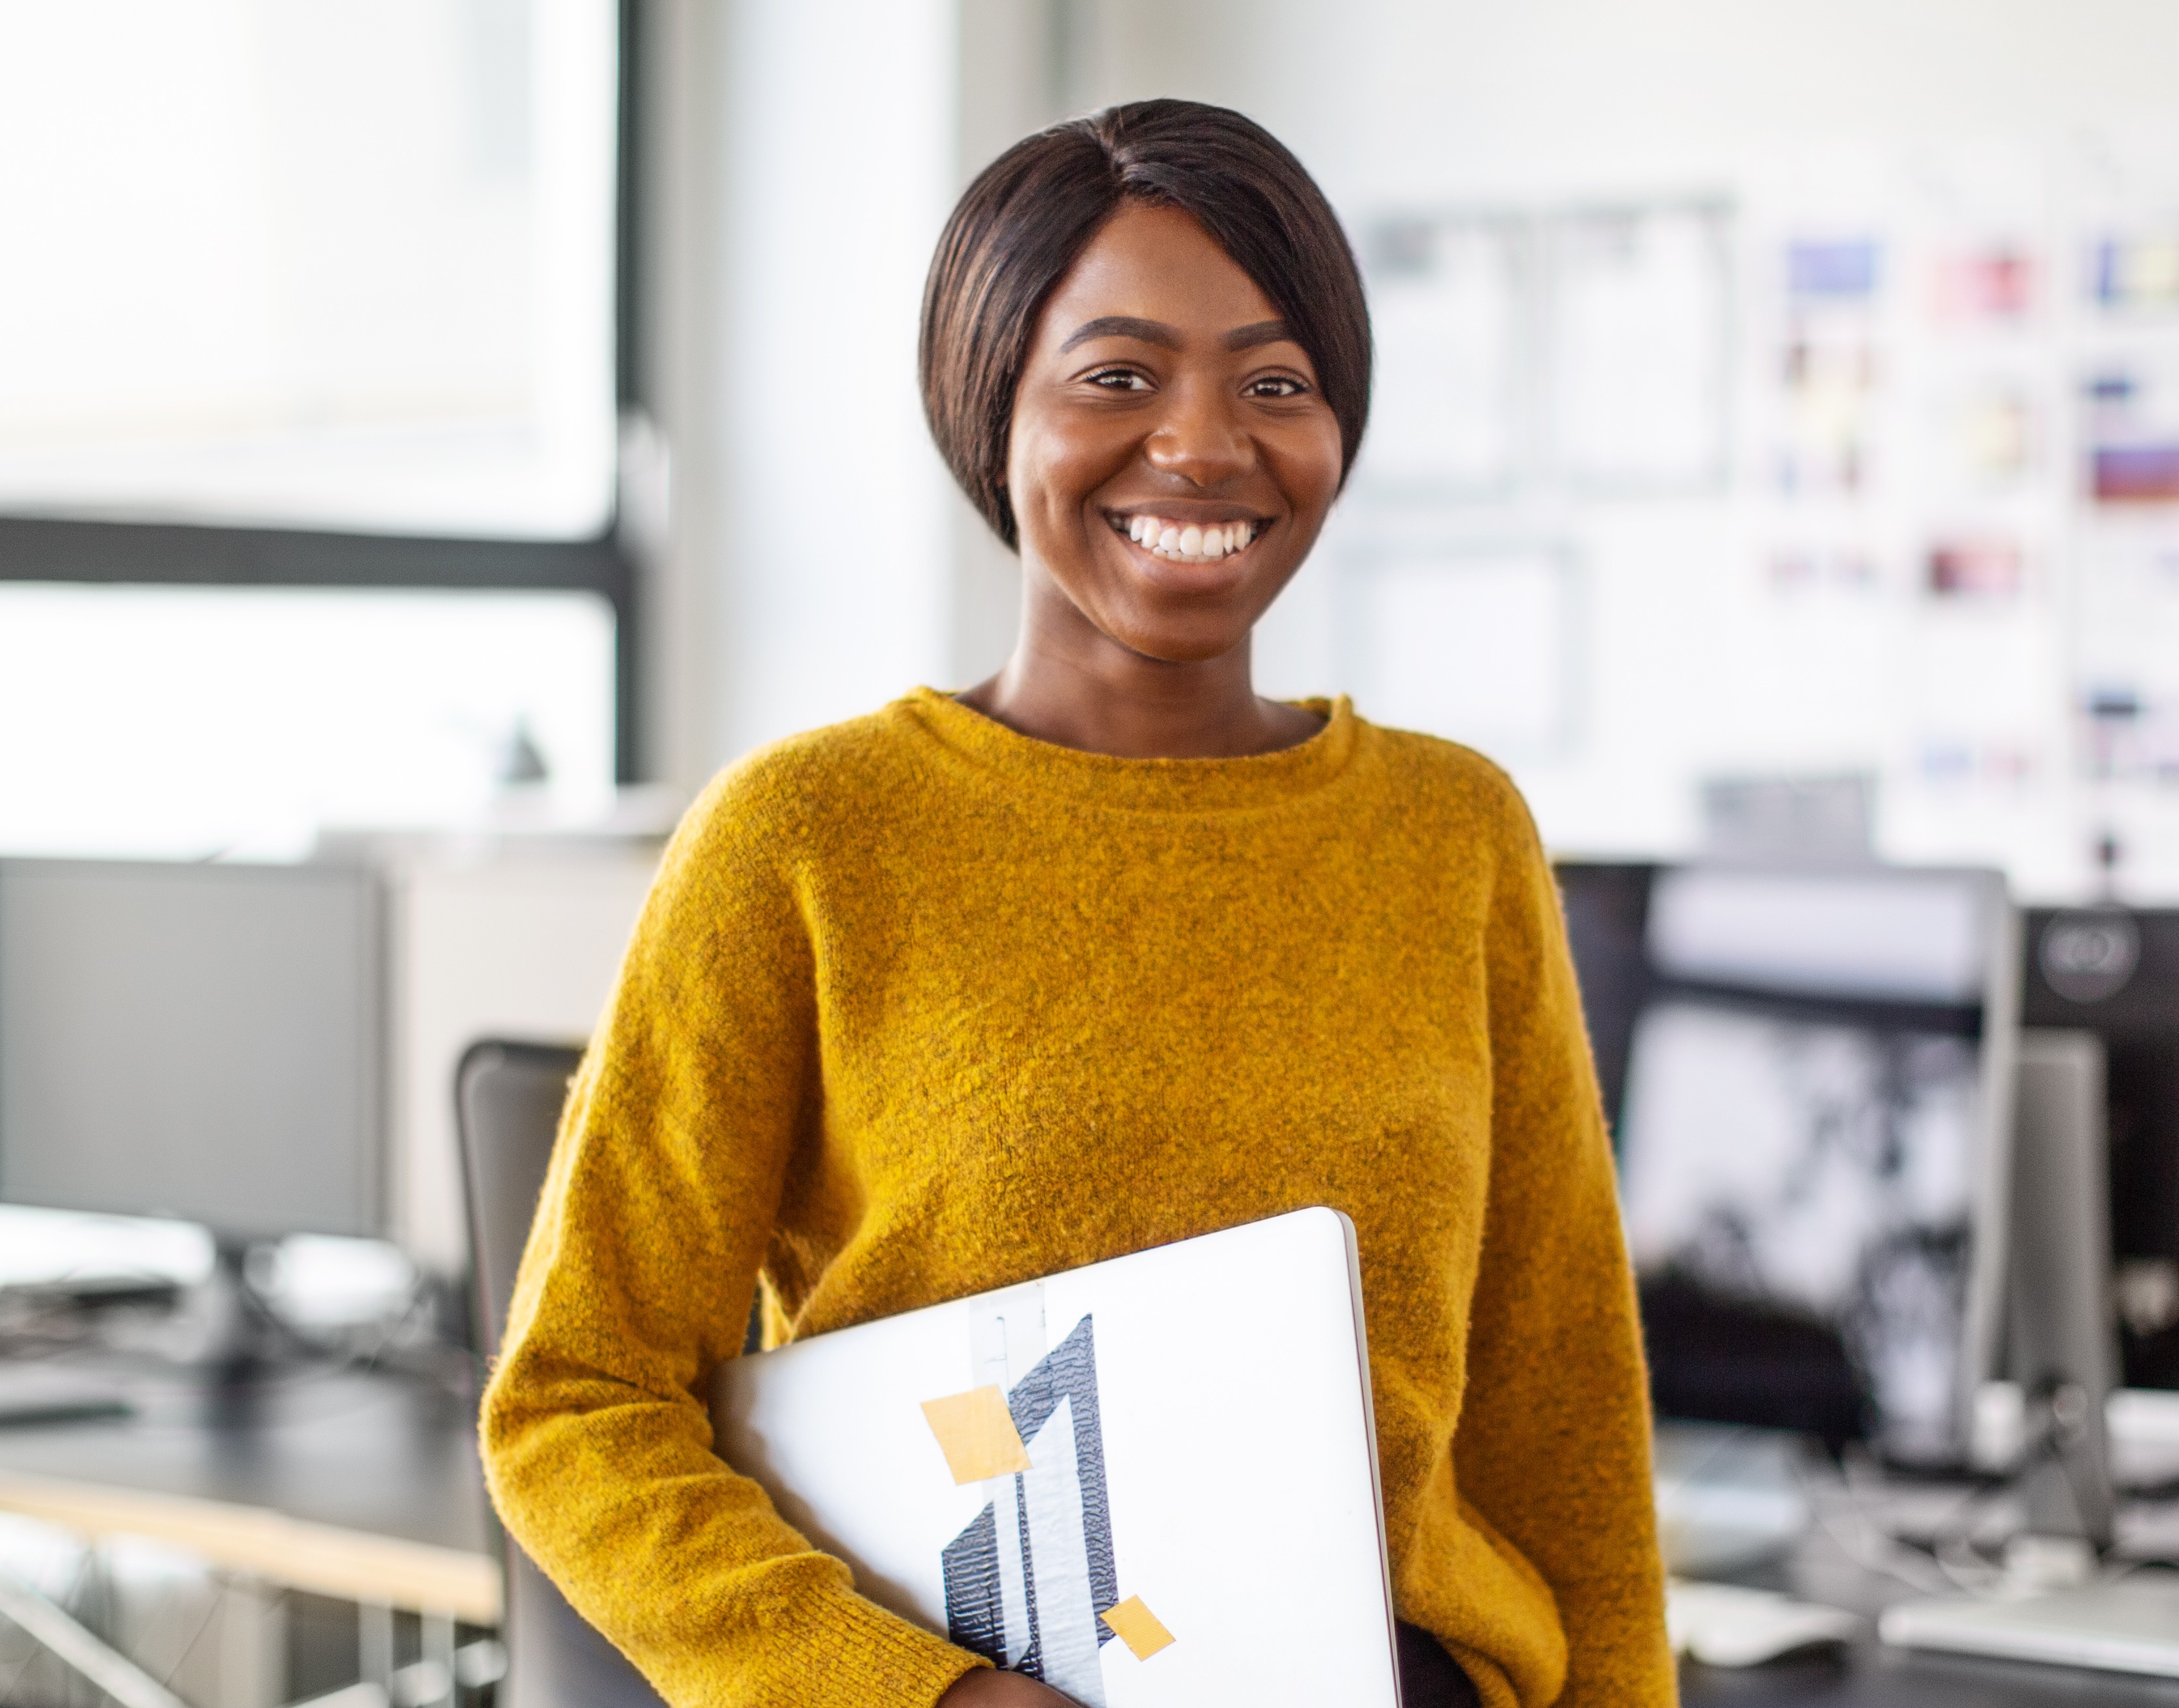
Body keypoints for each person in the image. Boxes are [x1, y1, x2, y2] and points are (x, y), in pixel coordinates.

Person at [481, 99, 1669, 1708]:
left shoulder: (1452, 830)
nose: (1203, 444)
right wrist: (917, 1698)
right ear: (993, 411)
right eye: (1118, 377)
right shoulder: (805, 836)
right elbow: (575, 1399)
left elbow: (1565, 1420)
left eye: (1275, 382)